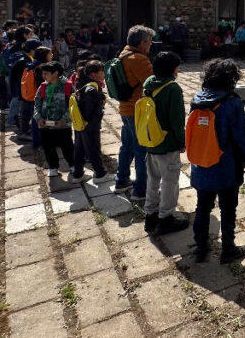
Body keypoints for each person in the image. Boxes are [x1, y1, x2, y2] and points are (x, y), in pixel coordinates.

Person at [188, 59, 245, 264]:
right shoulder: (232, 102)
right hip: (226, 165)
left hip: (201, 163)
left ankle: (201, 248)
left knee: (202, 207)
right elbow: (242, 135)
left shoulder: (197, 99)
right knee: (228, 209)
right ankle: (228, 249)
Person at [141, 51, 189, 235]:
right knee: (170, 181)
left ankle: (150, 214)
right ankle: (166, 217)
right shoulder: (172, 89)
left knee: (152, 179)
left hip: (150, 140)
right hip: (167, 142)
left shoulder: (148, 83)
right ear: (173, 69)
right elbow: (177, 120)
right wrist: (181, 142)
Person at [115, 25, 155, 200]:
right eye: (150, 41)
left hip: (125, 107)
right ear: (143, 42)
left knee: (127, 146)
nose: (151, 45)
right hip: (137, 110)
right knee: (141, 150)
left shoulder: (123, 54)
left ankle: (121, 179)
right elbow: (152, 82)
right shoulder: (139, 59)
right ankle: (140, 190)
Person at [71, 61, 113, 184]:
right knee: (93, 148)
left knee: (80, 149)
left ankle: (77, 174)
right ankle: (100, 174)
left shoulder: (81, 80)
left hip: (79, 122)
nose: (103, 74)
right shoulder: (92, 85)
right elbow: (90, 96)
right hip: (88, 123)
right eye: (102, 71)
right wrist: (100, 99)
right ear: (94, 74)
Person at [34, 61, 75, 178]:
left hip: (62, 125)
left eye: (46, 74)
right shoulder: (43, 86)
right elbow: (37, 103)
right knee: (48, 147)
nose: (44, 76)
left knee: (67, 146)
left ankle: (73, 165)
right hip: (45, 124)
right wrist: (38, 118)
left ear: (55, 73)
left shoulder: (67, 86)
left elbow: (72, 106)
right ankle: (53, 167)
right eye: (43, 74)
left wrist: (63, 120)